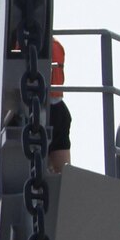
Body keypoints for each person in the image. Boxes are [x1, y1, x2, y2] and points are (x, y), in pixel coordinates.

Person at [48, 38, 72, 174]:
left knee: (62, 173)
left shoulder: (16, 44)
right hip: (58, 108)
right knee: (62, 173)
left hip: (47, 111)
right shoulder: (56, 45)